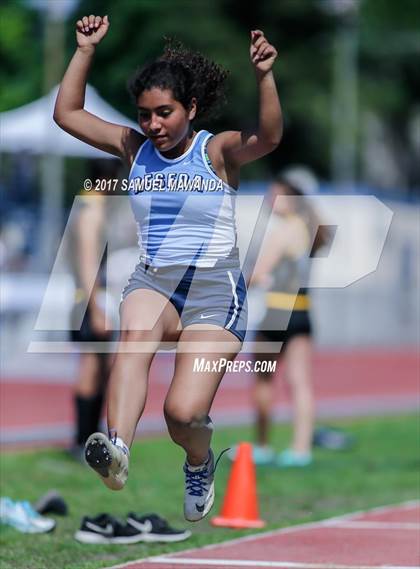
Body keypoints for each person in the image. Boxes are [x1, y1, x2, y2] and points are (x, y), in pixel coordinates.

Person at [54, 13, 282, 522]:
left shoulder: (216, 151)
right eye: (144, 114)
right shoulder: (133, 149)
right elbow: (67, 113)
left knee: (182, 414)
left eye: (164, 113)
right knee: (131, 339)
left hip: (212, 291)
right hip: (154, 279)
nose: (152, 125)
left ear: (191, 108)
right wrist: (85, 51)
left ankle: (199, 460)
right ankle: (118, 452)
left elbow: (267, 137)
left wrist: (265, 76)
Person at [247, 167, 329, 467]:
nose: (271, 198)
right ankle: (301, 448)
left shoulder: (283, 231)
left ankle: (263, 445)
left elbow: (257, 274)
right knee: (300, 382)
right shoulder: (311, 229)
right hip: (303, 311)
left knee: (264, 380)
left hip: (277, 312)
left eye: (276, 193)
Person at [68, 159, 120, 462]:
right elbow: (88, 262)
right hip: (90, 300)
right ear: (108, 178)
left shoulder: (91, 206)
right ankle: (81, 440)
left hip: (94, 299)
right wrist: (96, 307)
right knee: (91, 368)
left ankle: (90, 437)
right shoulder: (91, 209)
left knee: (101, 369)